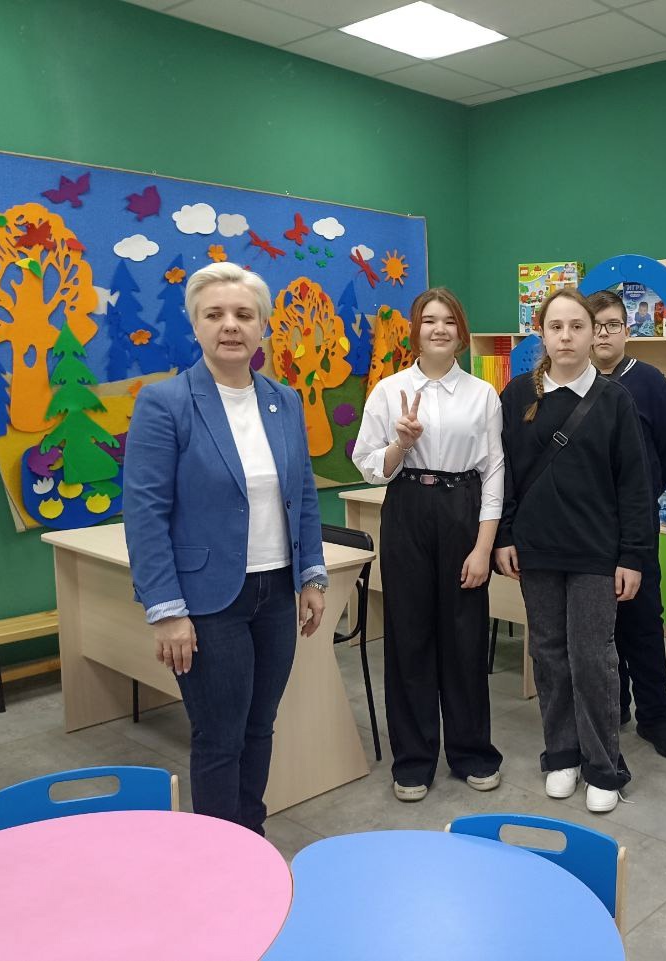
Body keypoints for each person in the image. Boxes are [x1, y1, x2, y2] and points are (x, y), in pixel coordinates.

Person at [124, 262, 326, 835]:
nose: (230, 325)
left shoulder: (284, 401)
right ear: (196, 326)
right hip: (208, 602)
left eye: (243, 314)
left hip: (276, 594)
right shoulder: (165, 403)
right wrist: (166, 611)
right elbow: (145, 513)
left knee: (260, 727)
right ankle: (218, 856)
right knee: (220, 736)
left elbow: (303, 493)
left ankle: (251, 838)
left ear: (262, 326)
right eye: (214, 314)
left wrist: (311, 574)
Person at [494, 288, 653, 813]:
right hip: (536, 550)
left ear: (594, 334)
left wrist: (632, 555)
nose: (566, 336)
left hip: (596, 554)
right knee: (548, 654)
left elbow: (634, 485)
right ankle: (561, 753)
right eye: (556, 327)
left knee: (592, 659)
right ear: (541, 334)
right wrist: (505, 536)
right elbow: (504, 471)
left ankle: (603, 766)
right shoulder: (517, 395)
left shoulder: (614, 399)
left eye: (577, 327)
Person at [351, 286, 503, 802]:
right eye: (429, 320)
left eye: (449, 321)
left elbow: (494, 472)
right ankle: (413, 760)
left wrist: (482, 548)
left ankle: (472, 752)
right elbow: (370, 468)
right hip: (408, 507)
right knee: (409, 636)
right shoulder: (388, 390)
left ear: (461, 333)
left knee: (465, 637)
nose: (439, 329)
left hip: (464, 508)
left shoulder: (482, 395)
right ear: (415, 331)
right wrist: (402, 444)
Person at [588, 289, 666, 760]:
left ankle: (656, 717)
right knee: (599, 623)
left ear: (627, 331)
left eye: (612, 325)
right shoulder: (573, 383)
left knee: (643, 620)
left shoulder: (647, 381)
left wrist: (643, 492)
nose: (603, 335)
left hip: (636, 524)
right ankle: (616, 707)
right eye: (595, 326)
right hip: (586, 527)